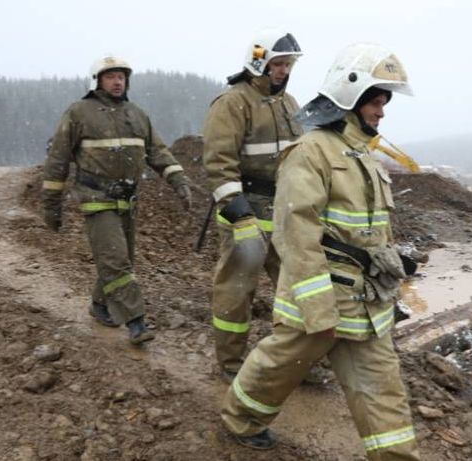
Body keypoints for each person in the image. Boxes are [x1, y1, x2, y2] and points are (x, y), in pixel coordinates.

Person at [220, 43, 420, 460]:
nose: (382, 112)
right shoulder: (311, 152)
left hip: (366, 303)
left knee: (384, 391)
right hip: (322, 300)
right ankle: (240, 421)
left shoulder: (364, 156)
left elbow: (365, 230)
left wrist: (388, 259)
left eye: (384, 102)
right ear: (350, 97)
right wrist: (317, 307)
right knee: (280, 367)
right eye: (376, 102)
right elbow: (296, 233)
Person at [41, 55, 192, 345]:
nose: (117, 81)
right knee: (117, 261)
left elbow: (158, 152)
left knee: (119, 261)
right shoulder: (79, 113)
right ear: (97, 80)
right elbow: (58, 160)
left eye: (121, 76)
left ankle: (99, 305)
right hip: (97, 199)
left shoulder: (137, 114)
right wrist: (51, 205)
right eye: (110, 76)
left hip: (128, 201)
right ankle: (136, 323)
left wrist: (179, 180)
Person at [202, 28, 306, 381]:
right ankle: (231, 365)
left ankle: (297, 362)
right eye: (277, 64)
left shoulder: (289, 104)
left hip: (284, 209)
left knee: (297, 287)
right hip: (246, 208)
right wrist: (237, 211)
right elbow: (219, 163)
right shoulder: (233, 103)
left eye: (288, 64)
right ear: (259, 63)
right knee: (236, 289)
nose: (284, 71)